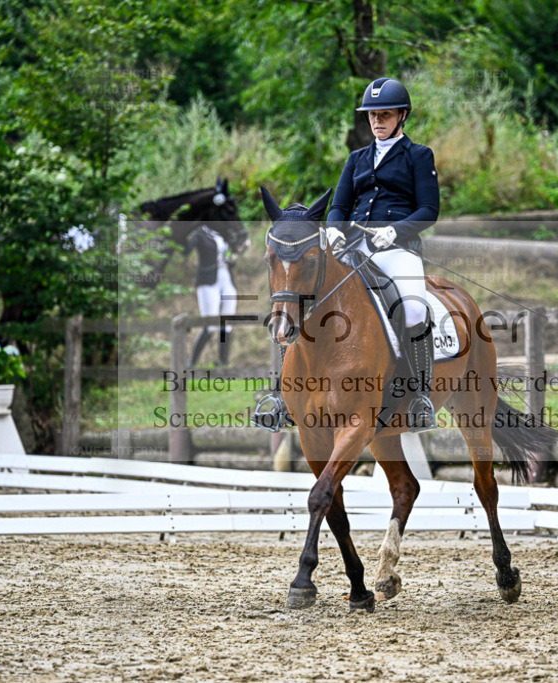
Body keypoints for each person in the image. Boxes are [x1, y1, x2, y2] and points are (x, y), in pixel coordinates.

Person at [253, 77, 440, 433]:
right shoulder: (357, 158)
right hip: (355, 247)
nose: (377, 121)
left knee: (414, 307)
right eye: (372, 116)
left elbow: (429, 209)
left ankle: (419, 395)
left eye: (385, 115)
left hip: (398, 249)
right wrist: (336, 228)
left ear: (402, 116)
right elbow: (339, 205)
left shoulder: (419, 156)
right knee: (302, 298)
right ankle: (281, 397)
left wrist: (396, 230)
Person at [186, 222, 237, 368]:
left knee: (226, 323)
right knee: (210, 324)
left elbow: (231, 252)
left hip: (226, 278)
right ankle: (191, 363)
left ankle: (223, 362)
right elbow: (186, 249)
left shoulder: (223, 231)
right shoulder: (199, 233)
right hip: (208, 281)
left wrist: (233, 257)